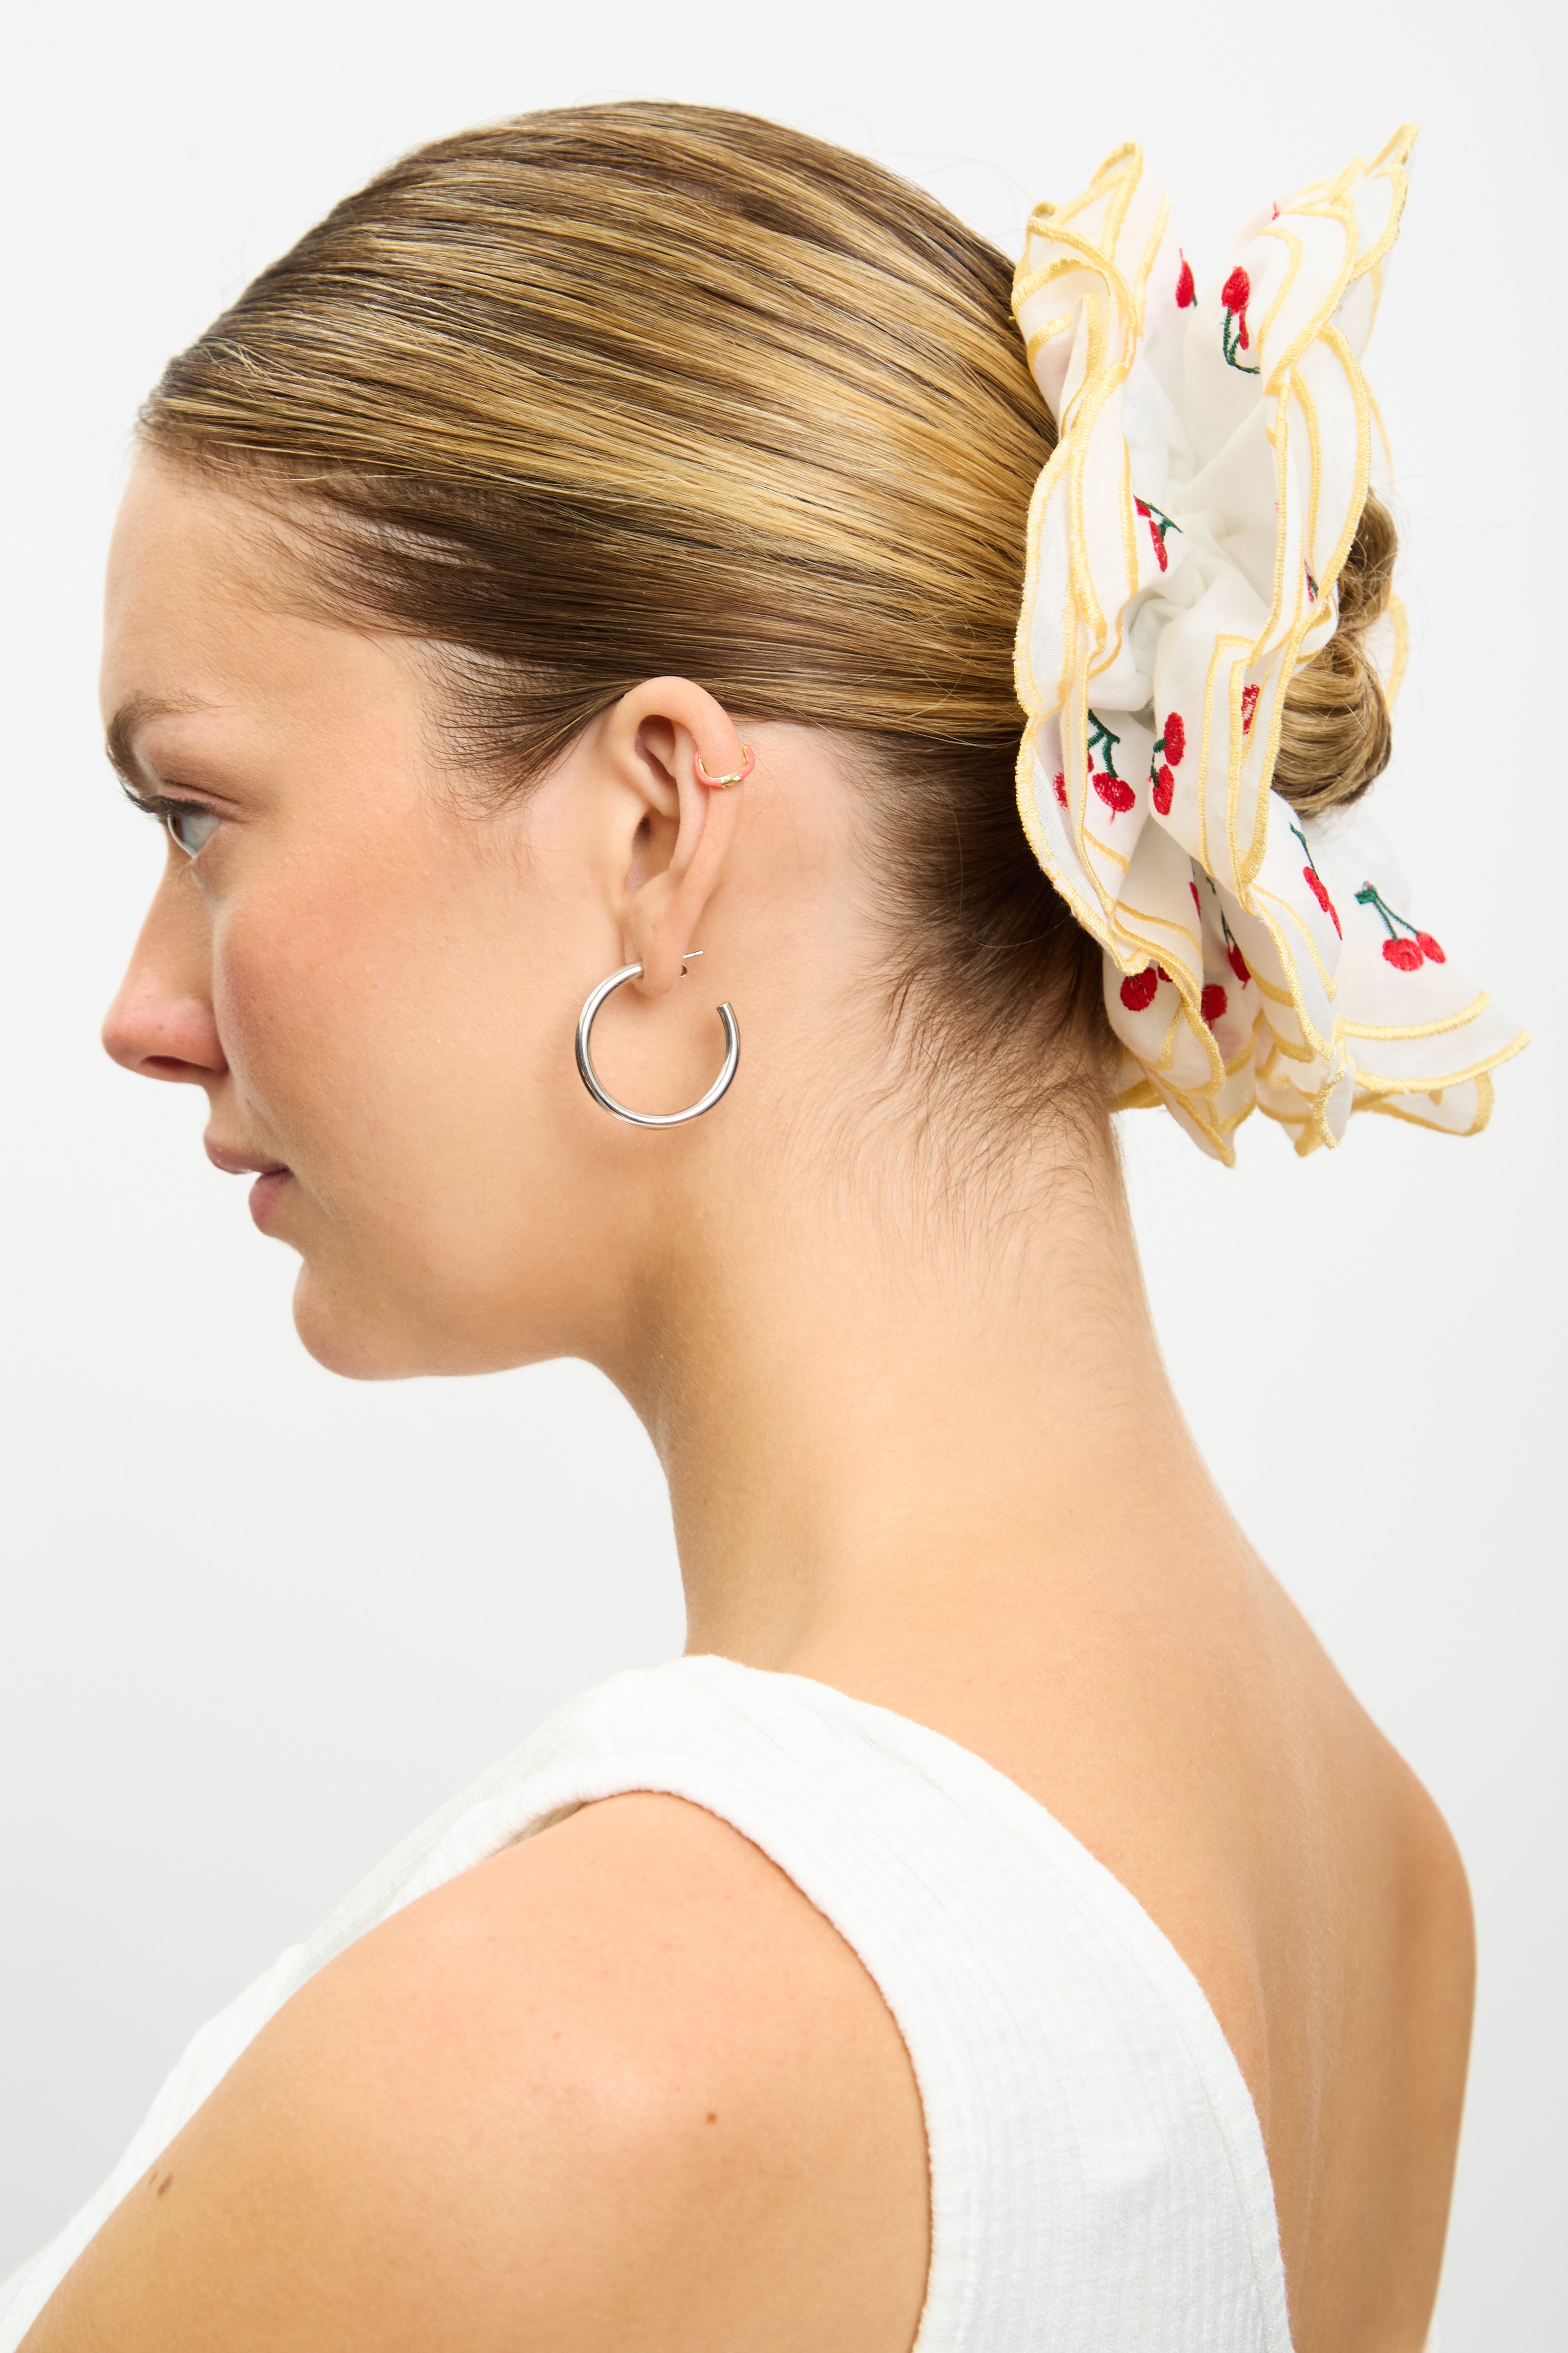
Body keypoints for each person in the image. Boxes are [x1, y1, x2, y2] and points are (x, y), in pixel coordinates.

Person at [2, 101, 1523, 2353]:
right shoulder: (1379, 1872)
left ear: (655, 826)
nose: (144, 1008)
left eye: (201, 813)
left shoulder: (579, 2056)